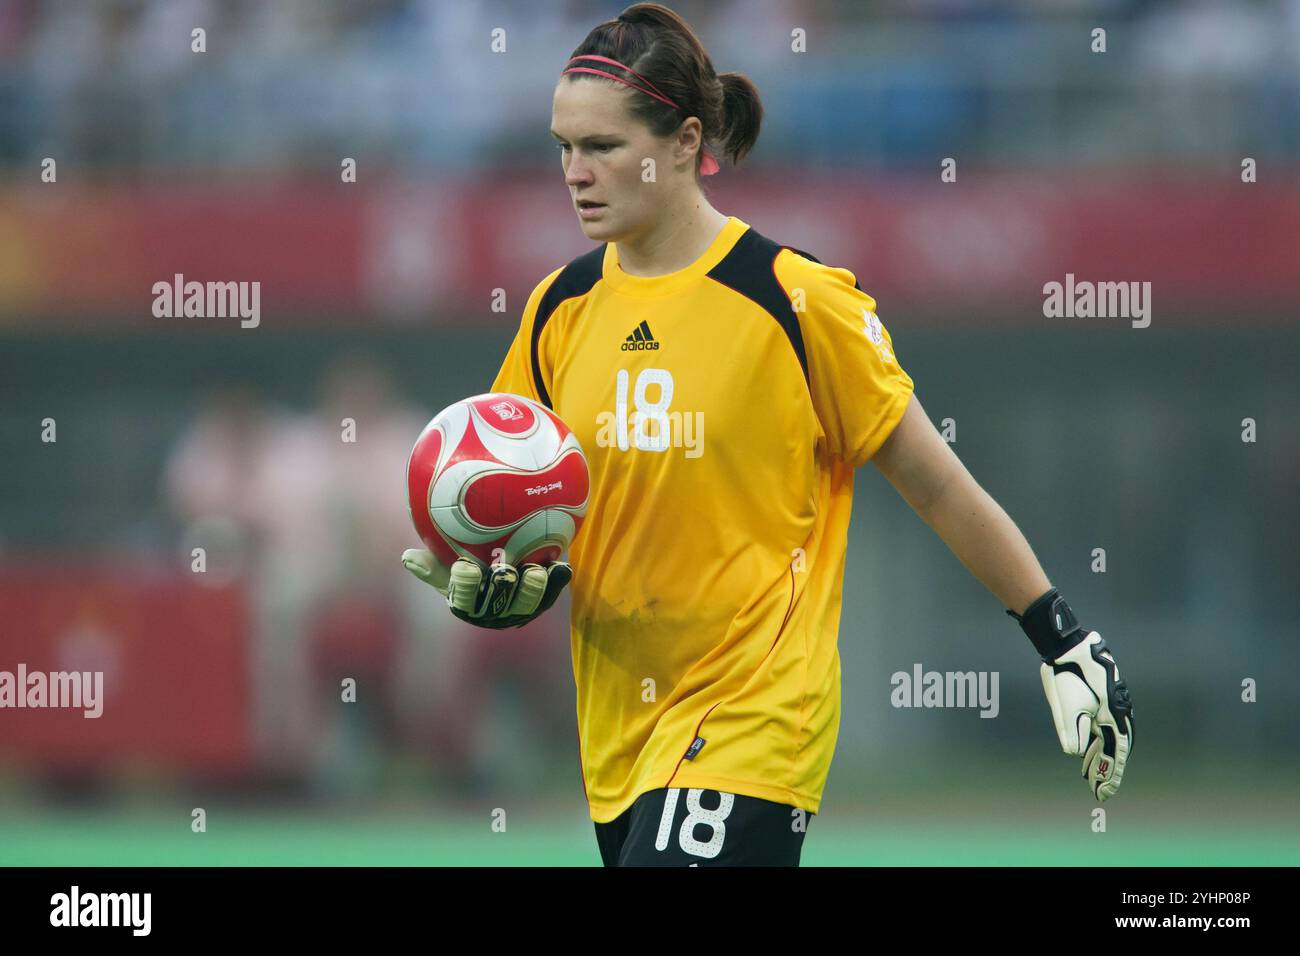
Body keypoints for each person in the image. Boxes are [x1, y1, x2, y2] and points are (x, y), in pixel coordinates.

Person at [402, 2, 1133, 867]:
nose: (575, 171)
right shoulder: (558, 308)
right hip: (621, 734)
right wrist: (508, 585)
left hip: (756, 712)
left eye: (602, 147)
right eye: (563, 146)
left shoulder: (796, 300)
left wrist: (1060, 636)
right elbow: (534, 505)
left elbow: (937, 483)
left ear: (683, 142)